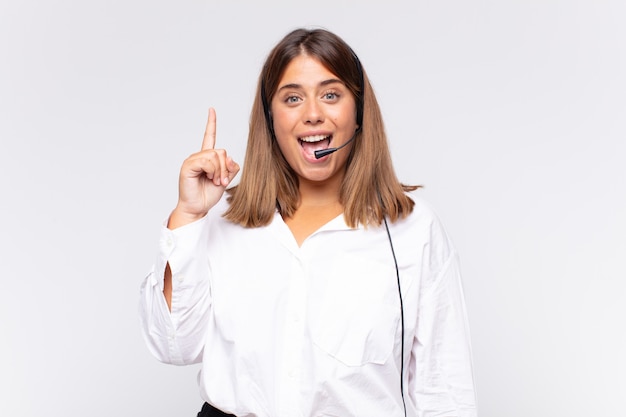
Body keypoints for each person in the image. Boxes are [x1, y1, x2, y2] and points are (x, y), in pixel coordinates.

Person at [139, 28, 477, 417]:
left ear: (359, 112)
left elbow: (446, 390)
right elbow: (174, 346)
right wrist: (189, 216)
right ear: (270, 118)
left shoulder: (413, 228)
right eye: (293, 98)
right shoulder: (221, 221)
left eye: (331, 95)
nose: (313, 113)